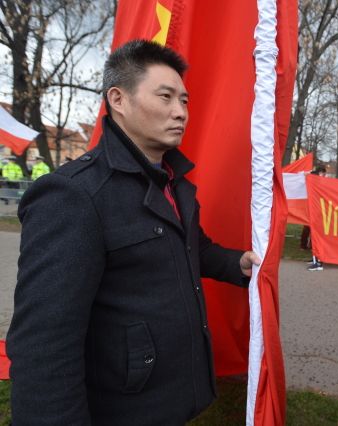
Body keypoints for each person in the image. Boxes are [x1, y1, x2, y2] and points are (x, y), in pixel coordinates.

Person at [7, 40, 261, 425]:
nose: (180, 112)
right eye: (166, 97)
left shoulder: (173, 182)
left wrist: (236, 264)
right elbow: (44, 349)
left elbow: (191, 247)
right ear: (119, 99)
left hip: (174, 402)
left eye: (185, 101)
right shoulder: (74, 195)